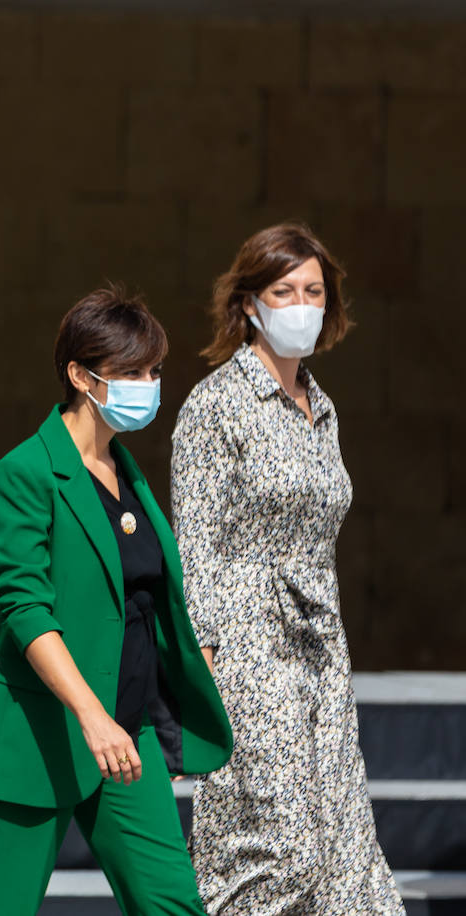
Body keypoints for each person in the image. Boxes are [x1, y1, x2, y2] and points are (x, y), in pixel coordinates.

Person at [0, 288, 232, 915]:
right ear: (80, 375)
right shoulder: (24, 473)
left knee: (172, 903)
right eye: (131, 372)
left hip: (127, 732)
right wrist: (90, 715)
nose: (148, 385)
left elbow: (144, 597)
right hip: (45, 732)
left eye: (154, 371)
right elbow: (26, 609)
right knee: (0, 908)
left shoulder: (128, 471)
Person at [172, 223, 404, 914]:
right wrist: (204, 660)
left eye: (313, 291)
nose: (301, 304)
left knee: (345, 844)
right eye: (284, 290)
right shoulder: (216, 406)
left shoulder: (321, 407)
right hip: (245, 644)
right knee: (274, 844)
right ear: (249, 303)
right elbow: (197, 542)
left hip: (320, 645)